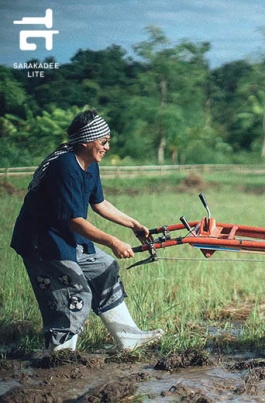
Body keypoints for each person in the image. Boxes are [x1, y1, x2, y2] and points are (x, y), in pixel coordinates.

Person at [11, 109, 164, 352]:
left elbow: (99, 203)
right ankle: (60, 352)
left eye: (108, 142)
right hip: (42, 241)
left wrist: (134, 225)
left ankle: (128, 337)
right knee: (75, 293)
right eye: (103, 142)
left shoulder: (90, 164)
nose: (107, 148)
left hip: (66, 236)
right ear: (85, 141)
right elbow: (75, 221)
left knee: (105, 268)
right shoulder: (65, 167)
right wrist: (114, 241)